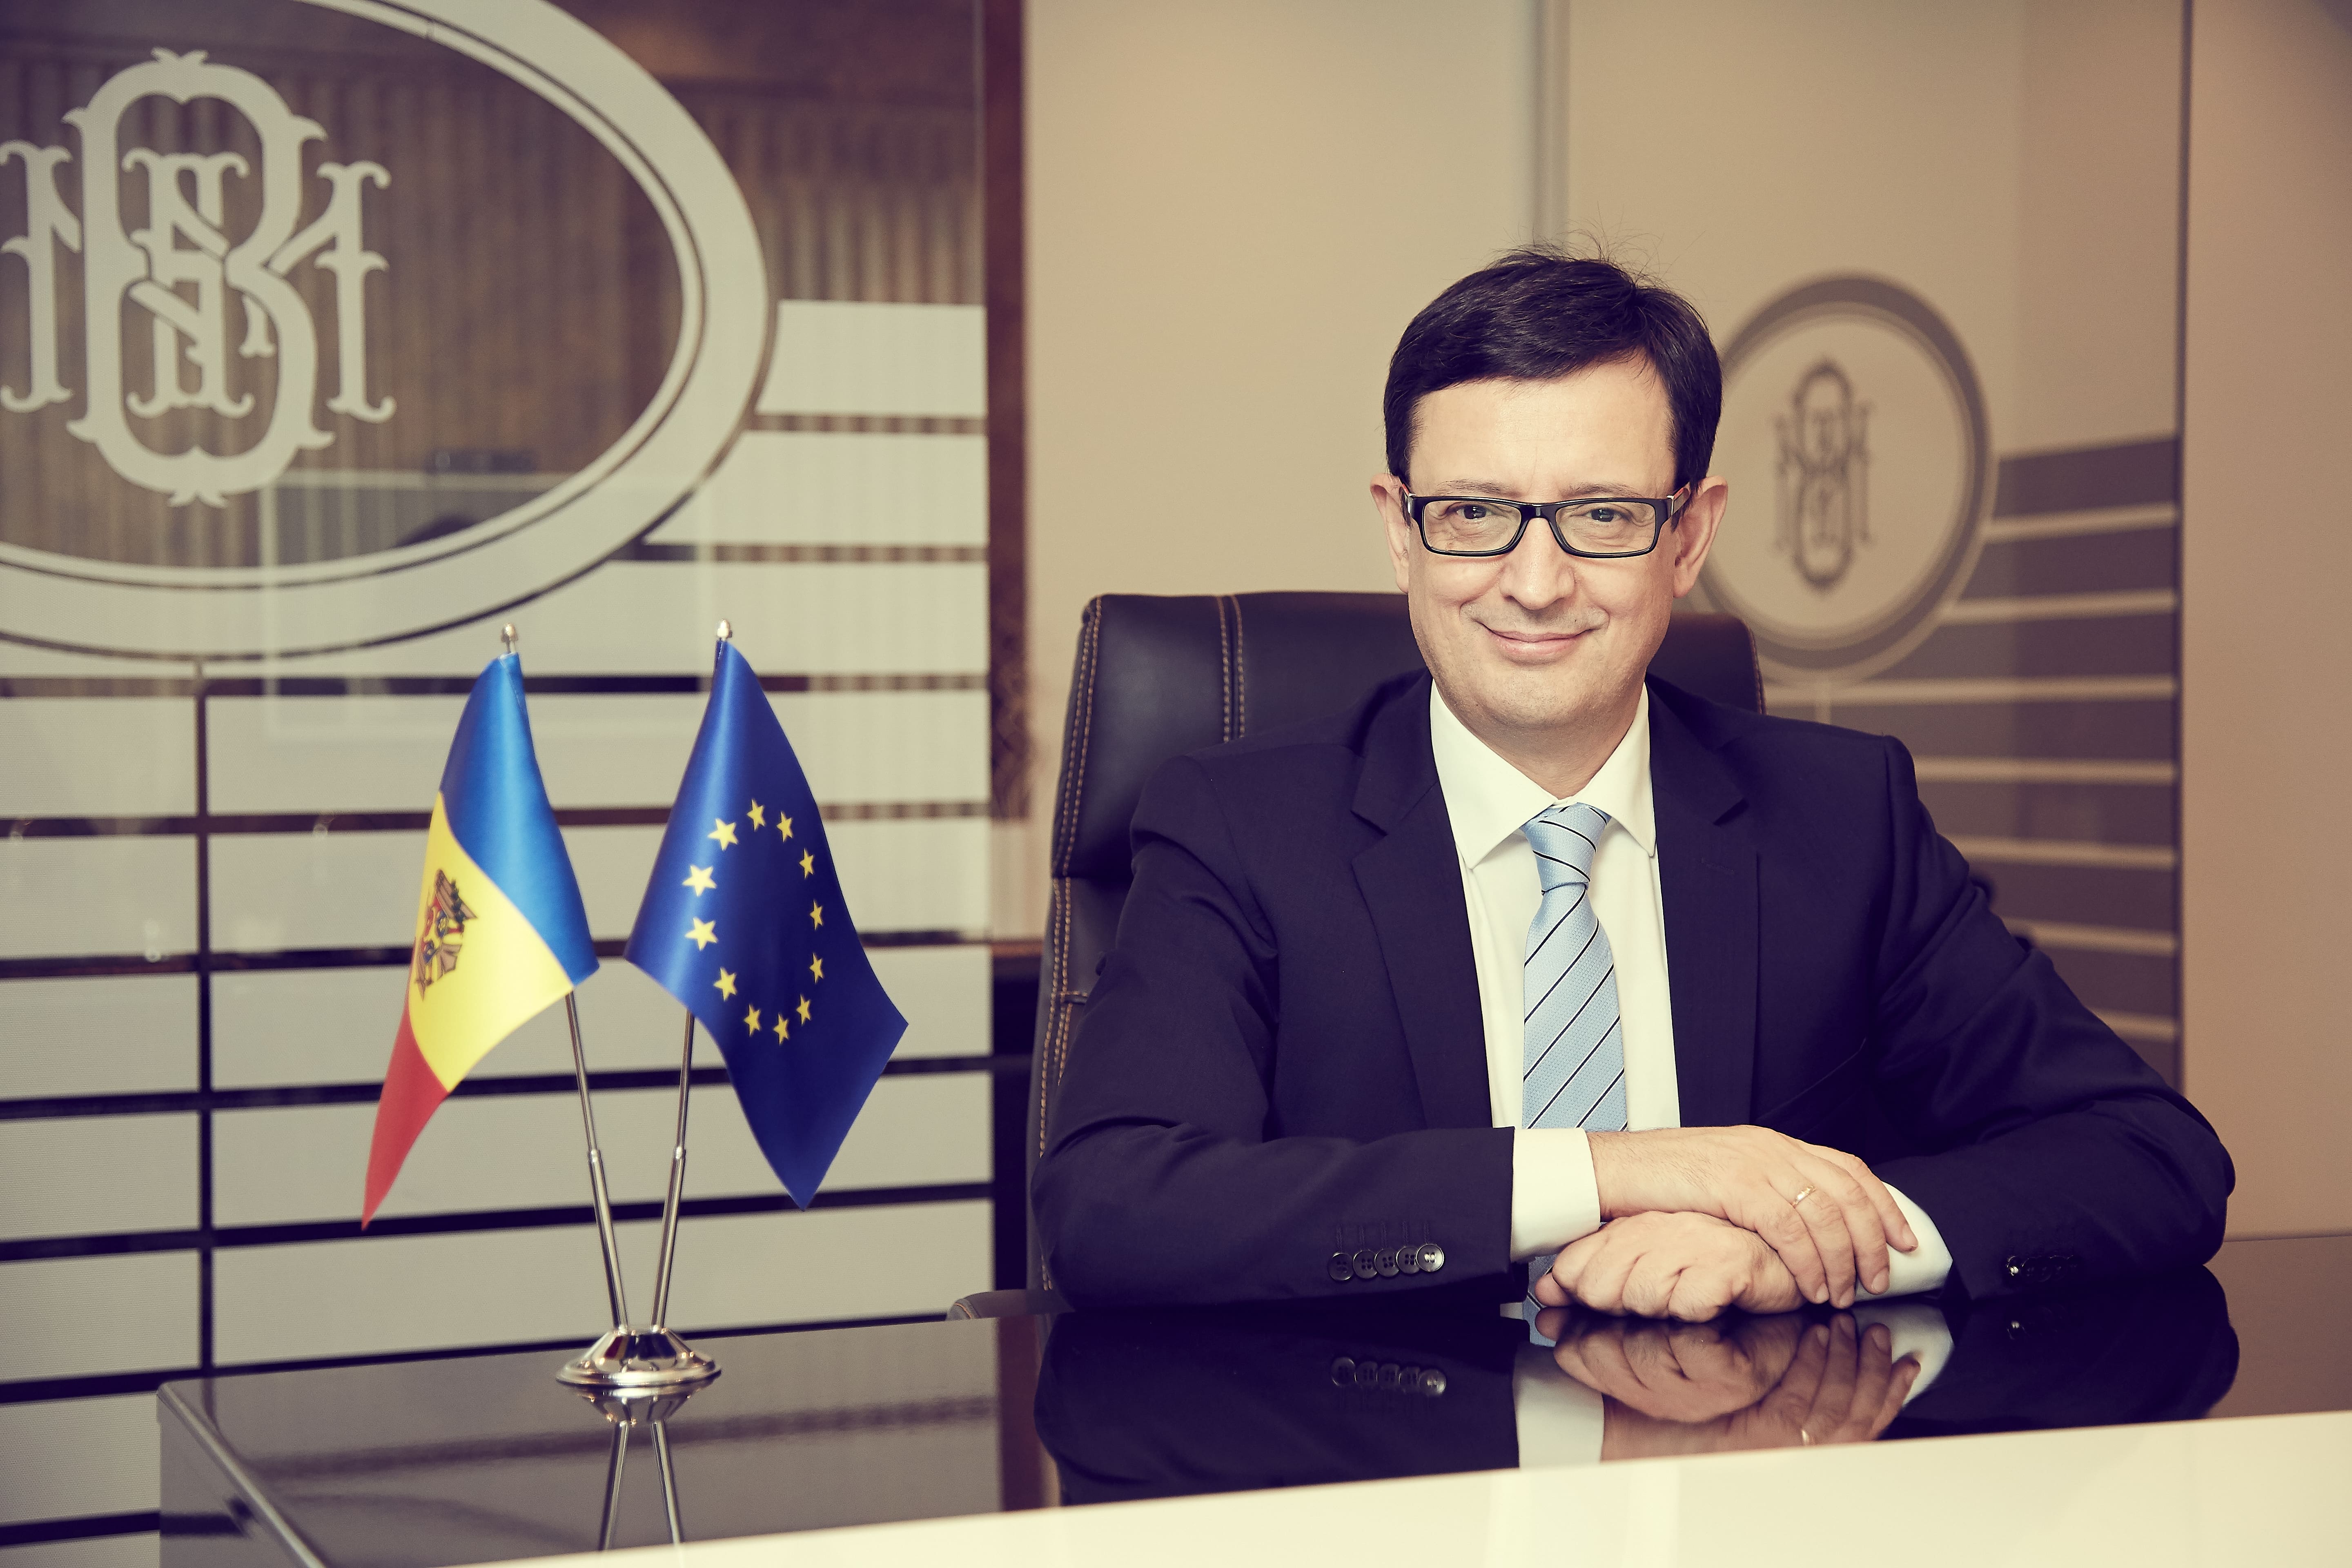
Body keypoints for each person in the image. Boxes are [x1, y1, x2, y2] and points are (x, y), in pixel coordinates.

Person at [1032, 247, 2231, 1321]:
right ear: (1400, 529)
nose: (1535, 583)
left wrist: (1811, 1247)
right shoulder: (1240, 827)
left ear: (1689, 535)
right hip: (1384, 1463)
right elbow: (1116, 1204)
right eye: (1474, 514)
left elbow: (2146, 1156)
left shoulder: (1841, 819)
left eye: (1601, 515)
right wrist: (1615, 1172)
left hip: (1742, 1458)